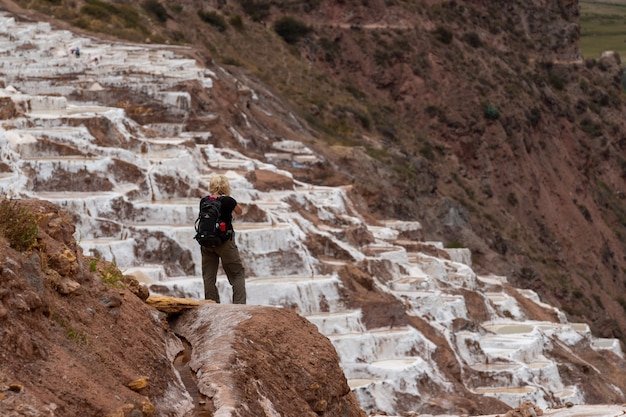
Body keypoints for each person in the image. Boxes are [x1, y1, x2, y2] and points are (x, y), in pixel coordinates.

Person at [201, 175, 246, 304]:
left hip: (206, 242)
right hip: (225, 242)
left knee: (208, 276)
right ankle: (239, 306)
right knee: (237, 274)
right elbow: (239, 212)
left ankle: (211, 305)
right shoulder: (229, 201)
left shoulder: (204, 201)